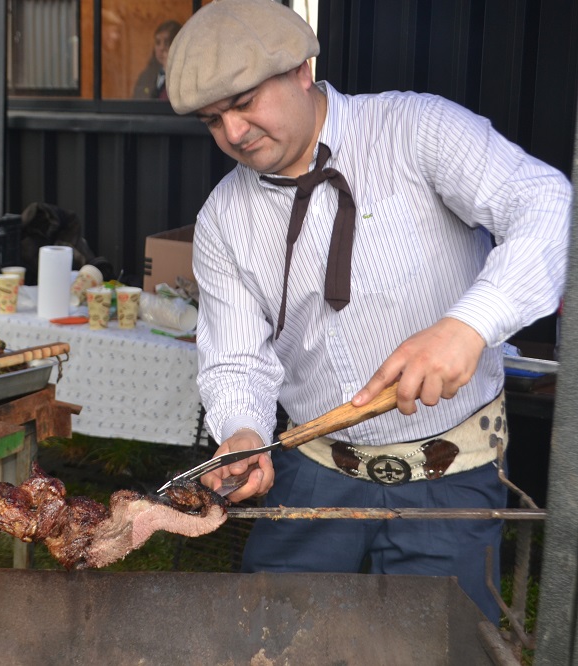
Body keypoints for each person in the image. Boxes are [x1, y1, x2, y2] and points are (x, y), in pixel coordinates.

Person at [165, 0, 570, 625]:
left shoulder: (416, 129)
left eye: (245, 102)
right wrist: (243, 430)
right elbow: (236, 357)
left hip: (453, 471)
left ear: (302, 68)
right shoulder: (224, 218)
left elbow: (545, 201)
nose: (235, 133)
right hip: (312, 468)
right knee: (273, 636)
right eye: (213, 120)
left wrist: (470, 324)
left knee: (441, 647)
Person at [132, 21, 181, 100]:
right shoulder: (146, 76)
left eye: (167, 42)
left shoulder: (184, 77)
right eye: (158, 43)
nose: (162, 48)